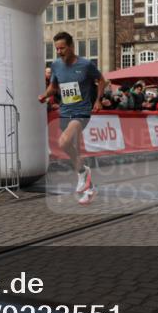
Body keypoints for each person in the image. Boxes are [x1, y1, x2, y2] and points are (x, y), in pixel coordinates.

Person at [39, 31, 105, 205]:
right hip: (65, 111)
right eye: (57, 49)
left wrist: (98, 100)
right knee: (73, 149)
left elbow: (102, 80)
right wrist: (44, 95)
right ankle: (89, 186)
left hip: (81, 111)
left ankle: (83, 175)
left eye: (62, 48)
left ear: (71, 47)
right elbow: (53, 87)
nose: (59, 52)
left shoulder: (86, 65)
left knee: (63, 142)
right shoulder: (55, 66)